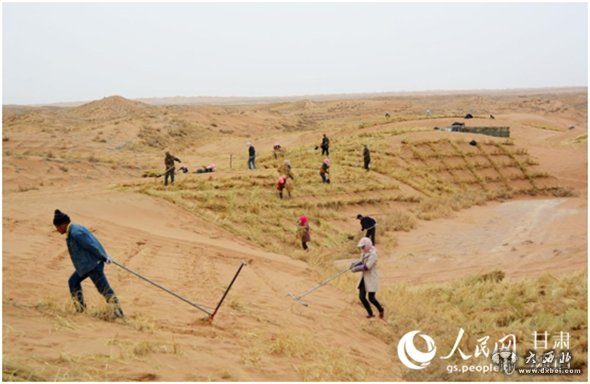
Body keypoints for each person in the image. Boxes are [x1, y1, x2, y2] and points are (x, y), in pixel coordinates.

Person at [53, 209, 124, 318]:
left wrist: (104, 256)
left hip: (93, 265)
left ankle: (118, 313)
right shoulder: (75, 229)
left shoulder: (76, 233)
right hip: (85, 266)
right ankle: (80, 309)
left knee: (104, 289)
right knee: (73, 282)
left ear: (63, 224)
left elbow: (91, 244)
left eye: (57, 227)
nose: (57, 230)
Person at [351, 237, 384, 319]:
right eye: (361, 247)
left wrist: (355, 269)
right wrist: (354, 264)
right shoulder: (364, 253)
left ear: (368, 245)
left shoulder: (373, 254)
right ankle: (370, 313)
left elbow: (367, 267)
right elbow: (361, 262)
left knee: (371, 298)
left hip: (371, 279)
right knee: (361, 297)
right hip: (364, 278)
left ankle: (381, 309)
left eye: (363, 247)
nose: (362, 248)